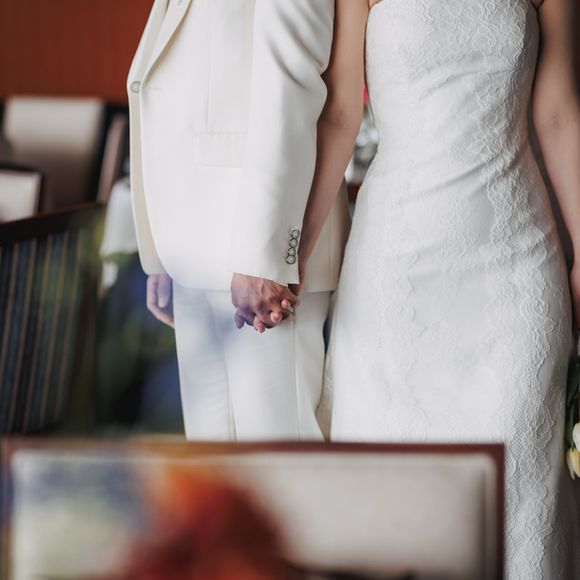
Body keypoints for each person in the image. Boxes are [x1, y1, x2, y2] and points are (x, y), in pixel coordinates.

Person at [270, 0, 580, 577]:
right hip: (397, 267)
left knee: (520, 471)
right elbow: (340, 115)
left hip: (516, 261)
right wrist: (294, 251)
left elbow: (559, 115)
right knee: (393, 471)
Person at [127, 0, 350, 441]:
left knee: (280, 462)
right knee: (212, 463)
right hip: (192, 247)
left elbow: (290, 91)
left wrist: (266, 256)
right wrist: (161, 250)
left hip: (258, 257)